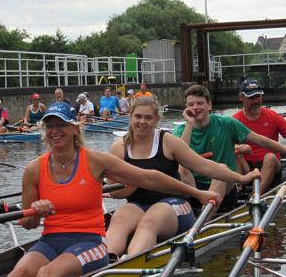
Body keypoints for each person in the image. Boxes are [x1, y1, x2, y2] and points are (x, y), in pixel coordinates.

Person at [0, 102, 220, 277]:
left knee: (46, 274)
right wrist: (35, 211)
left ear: (75, 128)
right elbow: (28, 223)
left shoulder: (95, 160)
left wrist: (197, 193)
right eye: (50, 126)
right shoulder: (34, 169)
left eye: (61, 125)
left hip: (90, 243)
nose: (55, 131)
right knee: (19, 274)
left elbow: (150, 178)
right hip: (50, 241)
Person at [107, 97, 260, 257]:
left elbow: (205, 166)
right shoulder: (119, 148)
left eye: (148, 117)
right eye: (138, 116)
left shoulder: (168, 142)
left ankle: (130, 265)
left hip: (175, 205)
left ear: (157, 119)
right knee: (119, 218)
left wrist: (241, 178)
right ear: (130, 116)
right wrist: (135, 183)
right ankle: (108, 263)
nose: (142, 122)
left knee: (150, 221)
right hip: (138, 205)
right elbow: (115, 192)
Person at [174, 84, 286, 212]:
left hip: (224, 185)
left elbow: (262, 141)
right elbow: (180, 155)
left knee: (221, 169)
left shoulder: (226, 123)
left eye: (199, 103)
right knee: (182, 168)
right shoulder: (181, 130)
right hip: (195, 189)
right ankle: (195, 212)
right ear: (186, 108)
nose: (195, 107)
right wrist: (189, 124)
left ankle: (200, 226)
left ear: (209, 105)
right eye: (191, 104)